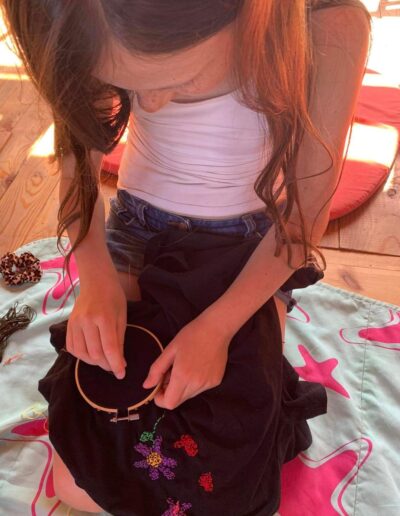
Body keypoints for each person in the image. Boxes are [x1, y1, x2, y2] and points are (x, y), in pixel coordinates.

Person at [2, 0, 371, 513]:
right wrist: (98, 280)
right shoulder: (95, 16)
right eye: (128, 86)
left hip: (254, 250)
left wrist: (216, 329)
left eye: (176, 81)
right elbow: (77, 170)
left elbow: (301, 221)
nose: (149, 105)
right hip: (139, 231)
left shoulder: (327, 27)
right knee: (82, 474)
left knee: (230, 471)